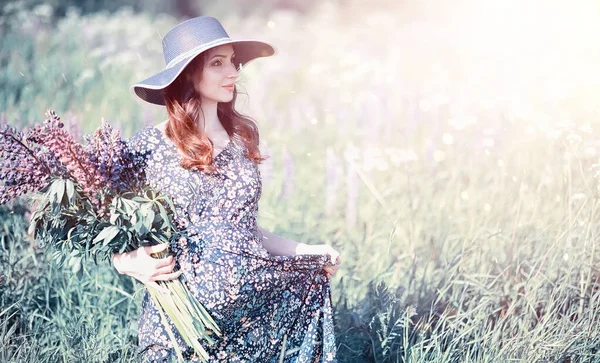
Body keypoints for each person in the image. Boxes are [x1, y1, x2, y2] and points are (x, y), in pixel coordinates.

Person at [111, 16, 341, 362]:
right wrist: (128, 263)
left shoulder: (241, 139)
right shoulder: (147, 147)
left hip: (252, 321)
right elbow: (111, 230)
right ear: (187, 73)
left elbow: (243, 230)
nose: (233, 72)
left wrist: (306, 249)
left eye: (233, 61)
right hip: (182, 322)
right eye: (218, 63)